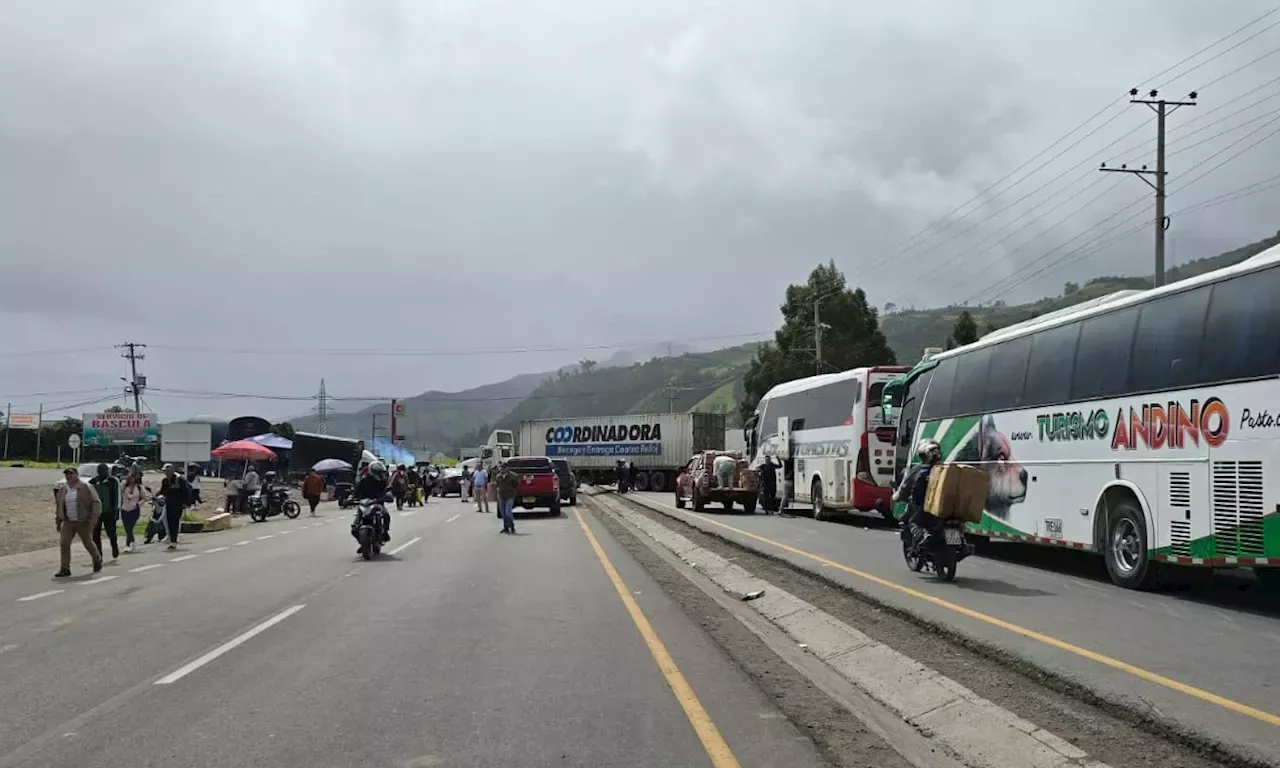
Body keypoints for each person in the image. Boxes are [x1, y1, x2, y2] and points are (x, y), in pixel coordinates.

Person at [894, 439, 944, 549]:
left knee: (911, 521)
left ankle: (923, 536)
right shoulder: (946, 469)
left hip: (925, 507)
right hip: (946, 506)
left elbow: (905, 487)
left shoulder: (919, 470)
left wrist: (897, 496)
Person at [54, 467, 103, 578]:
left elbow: (96, 502)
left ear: (76, 475)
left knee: (88, 543)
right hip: (68, 521)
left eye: (71, 474)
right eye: (67, 474)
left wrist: (93, 518)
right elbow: (59, 506)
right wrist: (58, 520)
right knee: (64, 543)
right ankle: (65, 568)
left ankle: (97, 560)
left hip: (83, 521)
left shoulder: (85, 487)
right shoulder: (63, 490)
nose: (68, 476)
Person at [352, 461, 392, 550]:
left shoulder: (383, 481)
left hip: (377, 503)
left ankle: (385, 532)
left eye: (380, 472)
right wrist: (351, 498)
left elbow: (388, 490)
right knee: (354, 528)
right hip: (364, 504)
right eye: (377, 472)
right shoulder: (364, 480)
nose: (379, 474)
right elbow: (356, 492)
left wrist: (388, 496)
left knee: (386, 516)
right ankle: (362, 542)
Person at [90, 463, 122, 560]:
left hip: (109, 511)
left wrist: (116, 510)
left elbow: (118, 496)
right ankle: (99, 555)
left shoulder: (113, 481)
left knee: (111, 532)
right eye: (99, 470)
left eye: (104, 470)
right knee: (96, 534)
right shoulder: (93, 481)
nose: (101, 472)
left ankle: (114, 548)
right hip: (97, 512)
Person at [159, 464, 190, 550]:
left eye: (168, 471)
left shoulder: (179, 479)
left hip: (178, 504)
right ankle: (171, 538)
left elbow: (186, 491)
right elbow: (162, 491)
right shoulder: (165, 481)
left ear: (172, 470)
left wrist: (185, 503)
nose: (166, 473)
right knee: (168, 522)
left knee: (175, 522)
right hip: (168, 504)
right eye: (165, 471)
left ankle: (173, 541)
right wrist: (157, 497)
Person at [120, 472, 147, 551]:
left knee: (130, 527)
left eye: (132, 478)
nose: (130, 479)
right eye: (129, 477)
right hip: (124, 509)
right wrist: (124, 483)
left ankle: (128, 544)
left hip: (134, 510)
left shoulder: (139, 487)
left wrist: (138, 504)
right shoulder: (124, 486)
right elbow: (119, 491)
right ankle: (132, 542)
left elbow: (144, 498)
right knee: (126, 528)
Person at [494, 461, 519, 534]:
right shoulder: (498, 476)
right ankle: (506, 527)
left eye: (504, 467)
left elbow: (516, 485)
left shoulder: (513, 476)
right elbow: (497, 486)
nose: (502, 469)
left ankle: (512, 526)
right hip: (501, 496)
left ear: (507, 468)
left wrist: (514, 493)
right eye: (501, 468)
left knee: (508, 512)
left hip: (510, 496)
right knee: (503, 513)